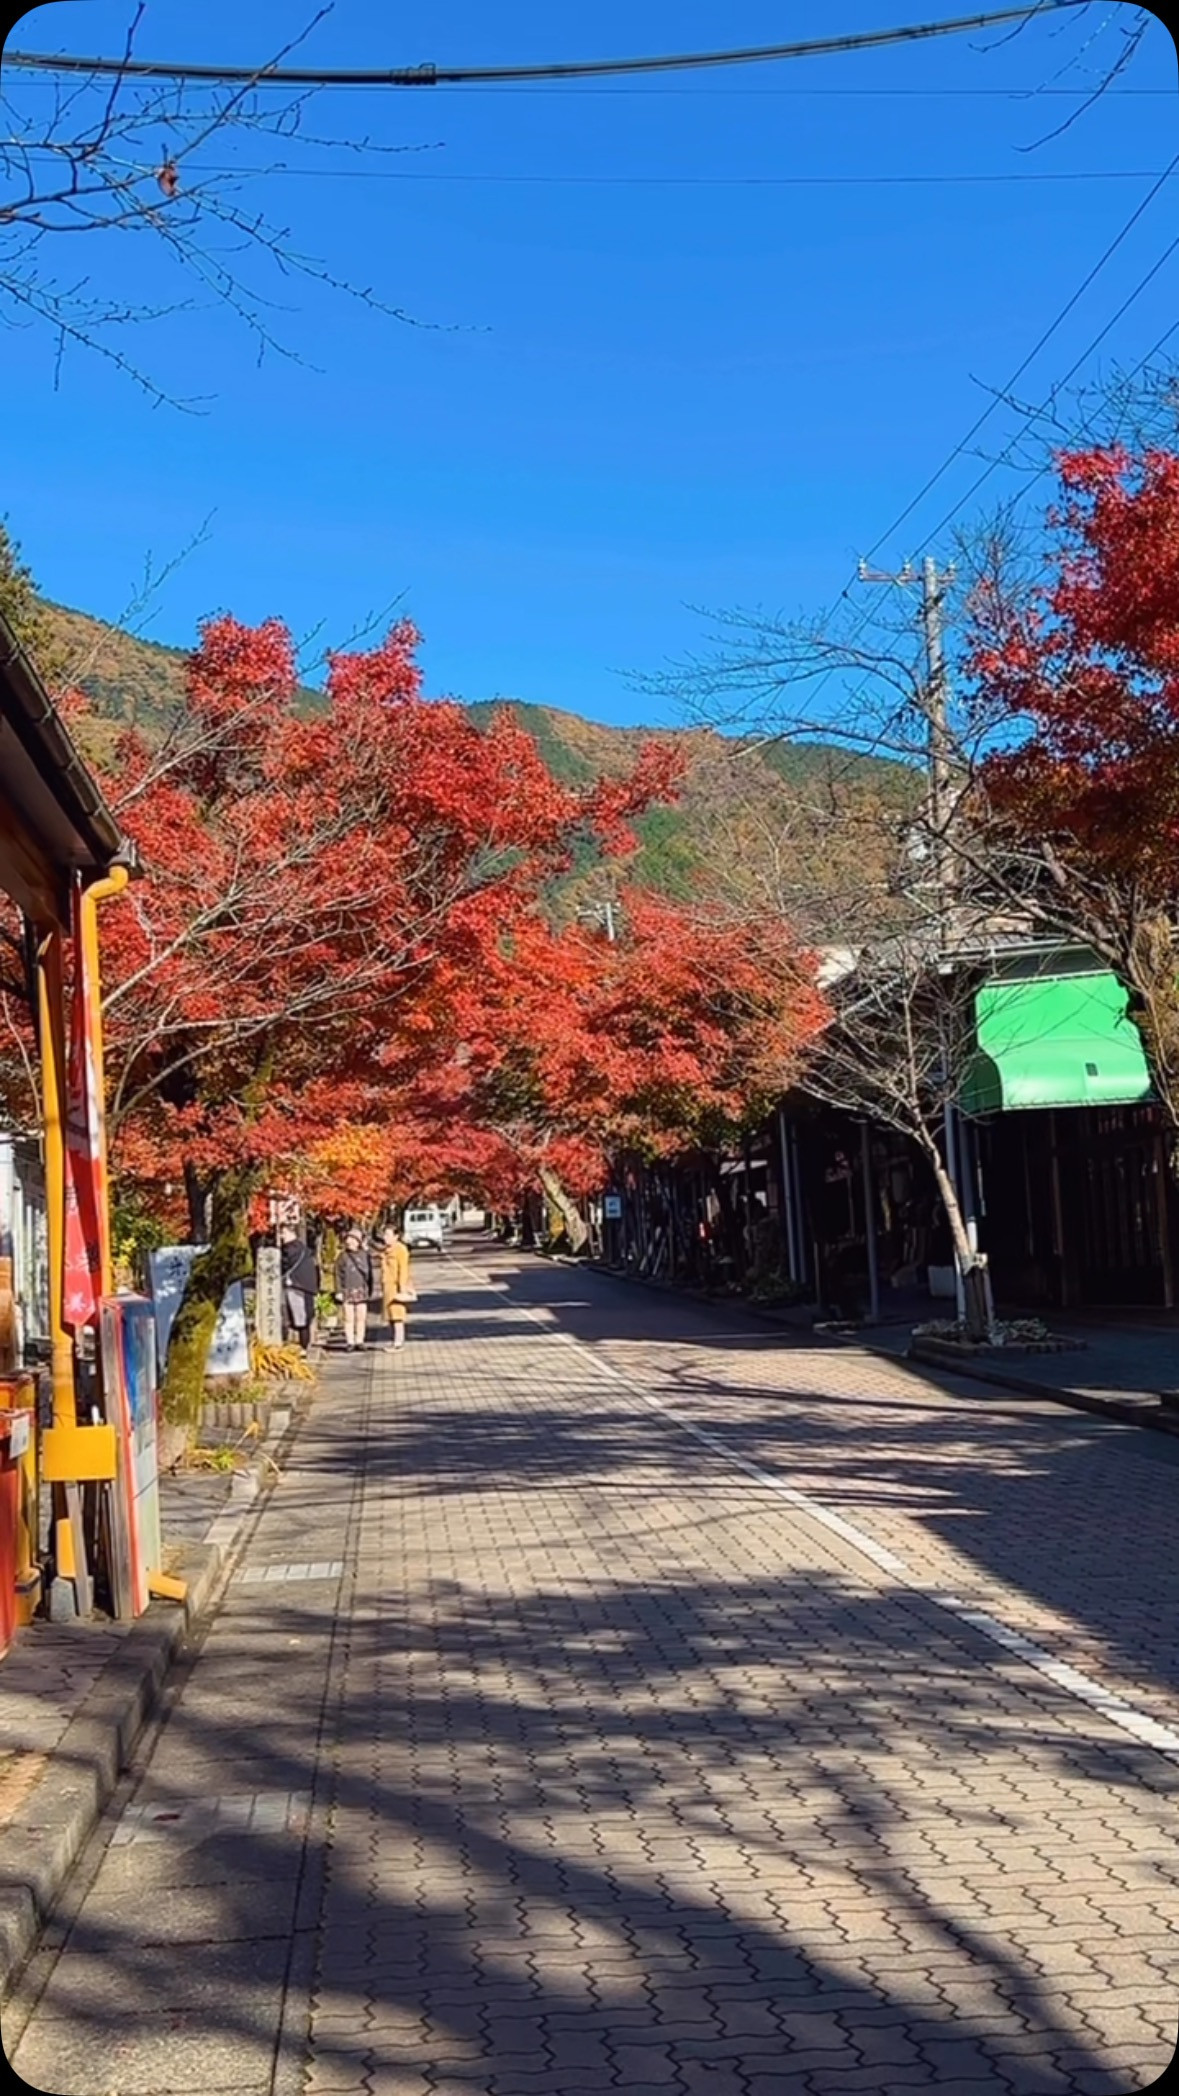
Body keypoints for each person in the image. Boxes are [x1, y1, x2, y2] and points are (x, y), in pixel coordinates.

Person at [279, 1226, 319, 1352]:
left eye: (283, 1233)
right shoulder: (304, 1249)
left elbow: (284, 1263)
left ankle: (301, 1346)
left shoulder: (291, 1250)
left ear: (292, 1233)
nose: (281, 1236)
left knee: (298, 1318)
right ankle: (303, 1347)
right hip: (305, 1287)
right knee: (301, 1318)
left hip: (296, 1286)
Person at [377, 1220, 415, 1352]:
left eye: (388, 1235)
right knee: (390, 1316)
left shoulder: (400, 1250)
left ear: (396, 1236)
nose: (385, 1237)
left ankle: (398, 1343)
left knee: (397, 1315)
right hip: (387, 1286)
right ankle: (393, 1341)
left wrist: (402, 1287)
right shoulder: (386, 1250)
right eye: (385, 1235)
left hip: (396, 1286)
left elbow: (403, 1269)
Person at [335, 1228, 374, 1352]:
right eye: (348, 1239)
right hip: (347, 1289)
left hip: (361, 1289)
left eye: (353, 1239)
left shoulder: (365, 1255)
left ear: (358, 1242)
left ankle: (360, 1340)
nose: (350, 1242)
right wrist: (338, 1291)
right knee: (348, 1317)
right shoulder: (342, 1257)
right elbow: (337, 1274)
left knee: (361, 1317)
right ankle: (350, 1341)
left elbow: (370, 1274)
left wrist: (370, 1289)